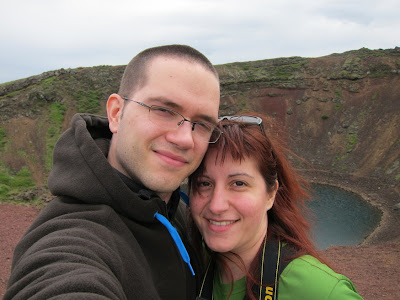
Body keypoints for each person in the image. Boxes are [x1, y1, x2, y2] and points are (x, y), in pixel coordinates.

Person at [4, 44, 222, 300]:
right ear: (116, 113)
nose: (185, 139)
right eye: (163, 110)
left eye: (202, 124)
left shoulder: (183, 209)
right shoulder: (72, 240)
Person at [189, 114, 364, 300]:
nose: (216, 205)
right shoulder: (186, 266)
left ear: (271, 194)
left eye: (238, 183)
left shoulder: (319, 290)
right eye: (204, 184)